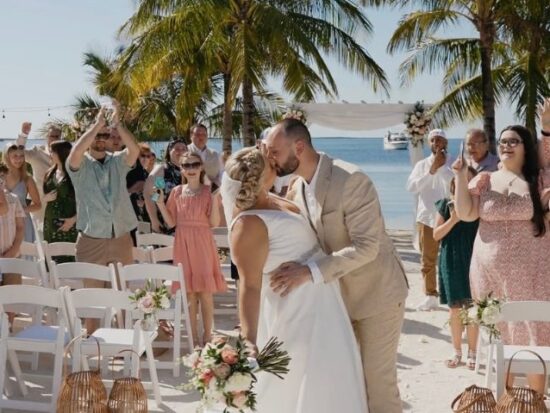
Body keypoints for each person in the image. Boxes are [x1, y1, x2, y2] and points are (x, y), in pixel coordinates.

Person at [263, 119, 408, 413]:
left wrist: (308, 272)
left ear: (299, 147)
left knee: (378, 387)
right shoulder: (296, 187)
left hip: (377, 297)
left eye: (275, 153)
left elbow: (368, 247)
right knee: (348, 384)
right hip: (336, 303)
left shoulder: (352, 179)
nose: (271, 160)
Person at [223, 147, 368, 413]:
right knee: (298, 383)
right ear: (258, 177)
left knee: (334, 376)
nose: (275, 160)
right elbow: (250, 285)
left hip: (324, 302)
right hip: (297, 310)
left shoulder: (276, 198)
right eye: (269, 161)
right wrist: (249, 339)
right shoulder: (248, 225)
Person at [453, 118, 550, 394]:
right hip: (489, 272)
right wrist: (460, 176)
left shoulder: (539, 178)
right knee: (501, 335)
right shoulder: (484, 180)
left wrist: (546, 127)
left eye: (513, 141)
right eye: (503, 141)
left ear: (525, 148)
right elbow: (466, 213)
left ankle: (534, 402)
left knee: (534, 332)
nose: (506, 145)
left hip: (534, 272)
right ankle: (506, 401)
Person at [66, 100, 139, 332]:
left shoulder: (117, 162)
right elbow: (77, 150)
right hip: (91, 240)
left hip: (121, 237)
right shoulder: (78, 165)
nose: (100, 138)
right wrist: (96, 125)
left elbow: (134, 150)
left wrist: (117, 124)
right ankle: (92, 344)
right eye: (97, 135)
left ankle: (125, 344)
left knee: (123, 295)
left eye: (105, 135)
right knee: (92, 299)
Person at [155, 151, 226, 346]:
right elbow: (170, 223)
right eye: (186, 166)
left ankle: (208, 336)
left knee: (205, 291)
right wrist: (160, 203)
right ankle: (193, 338)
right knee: (190, 292)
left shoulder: (208, 191)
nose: (191, 169)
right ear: (181, 169)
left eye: (195, 164)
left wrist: (213, 198)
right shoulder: (177, 192)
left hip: (203, 242)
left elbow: (214, 223)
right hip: (182, 242)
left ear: (201, 166)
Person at [432, 167, 479, 370]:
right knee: (455, 309)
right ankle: (457, 351)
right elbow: (436, 235)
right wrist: (453, 219)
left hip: (474, 260)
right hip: (451, 259)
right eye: (461, 181)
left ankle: (473, 353)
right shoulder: (445, 205)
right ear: (453, 184)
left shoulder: (479, 207)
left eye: (469, 181)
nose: (465, 186)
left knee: (473, 309)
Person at [406, 128, 453, 311]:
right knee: (427, 260)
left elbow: (455, 184)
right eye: (433, 140)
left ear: (445, 143)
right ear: (429, 143)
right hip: (426, 217)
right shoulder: (421, 165)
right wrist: (431, 170)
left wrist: (441, 168)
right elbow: (411, 187)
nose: (436, 144)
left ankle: (450, 295)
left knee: (450, 259)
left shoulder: (453, 163)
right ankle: (430, 295)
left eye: (439, 140)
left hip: (450, 218)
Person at [16, 123, 60, 228]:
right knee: (38, 237)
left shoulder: (65, 153)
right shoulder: (37, 151)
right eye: (52, 136)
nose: (54, 138)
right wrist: (24, 134)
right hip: (38, 202)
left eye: (57, 136)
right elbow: (19, 152)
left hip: (59, 202)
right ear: (46, 137)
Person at [42, 140, 78, 262]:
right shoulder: (49, 173)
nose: (50, 154)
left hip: (70, 223)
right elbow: (43, 196)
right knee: (51, 258)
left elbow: (85, 200)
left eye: (52, 152)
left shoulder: (75, 174)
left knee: (70, 258)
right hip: (50, 223)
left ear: (61, 153)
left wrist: (73, 220)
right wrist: (45, 199)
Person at [0, 162, 26, 327]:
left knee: (11, 301)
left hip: (12, 256)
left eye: (2, 178)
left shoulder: (13, 200)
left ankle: (7, 335)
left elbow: (21, 227)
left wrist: (14, 250)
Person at [144, 139, 187, 234]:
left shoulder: (190, 170)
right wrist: (154, 219)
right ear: (169, 151)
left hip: (185, 223)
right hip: (166, 222)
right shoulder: (164, 170)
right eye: (177, 149)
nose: (181, 151)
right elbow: (151, 193)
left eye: (184, 149)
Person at [3, 144, 42, 242]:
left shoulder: (27, 179)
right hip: (2, 223)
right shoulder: (1, 177)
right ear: (7, 157)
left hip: (23, 224)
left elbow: (38, 205)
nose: (19, 159)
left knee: (25, 255)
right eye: (15, 156)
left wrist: (21, 210)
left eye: (21, 156)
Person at [127, 143, 153, 232]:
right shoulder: (131, 172)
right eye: (142, 155)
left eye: (148, 156)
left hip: (149, 214)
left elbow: (160, 192)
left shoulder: (157, 172)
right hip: (132, 215)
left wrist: (148, 200)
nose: (145, 158)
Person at [188, 124, 222, 188]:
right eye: (198, 134)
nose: (201, 137)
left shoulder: (216, 154)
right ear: (191, 136)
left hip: (212, 192)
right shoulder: (185, 152)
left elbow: (221, 174)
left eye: (204, 135)